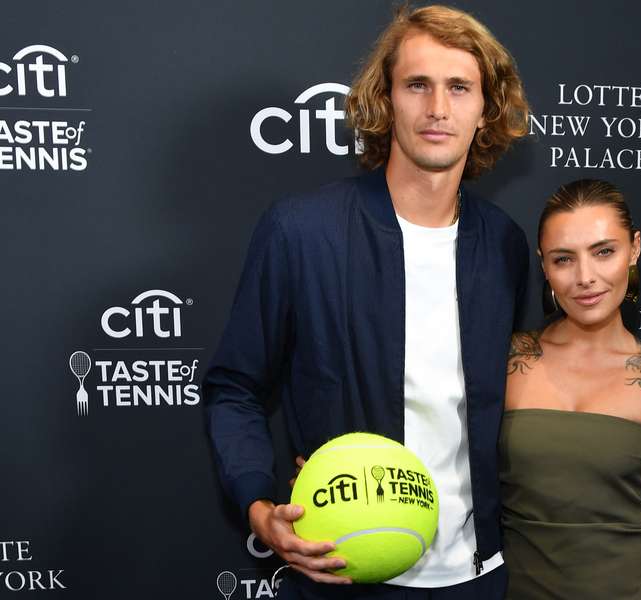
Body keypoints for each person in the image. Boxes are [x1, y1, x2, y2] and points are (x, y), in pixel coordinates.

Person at [203, 5, 530, 599]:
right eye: (417, 85)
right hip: (343, 572)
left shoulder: (504, 244)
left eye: (460, 87)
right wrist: (257, 505)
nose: (437, 108)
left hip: (479, 577)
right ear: (386, 99)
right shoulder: (301, 231)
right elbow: (234, 387)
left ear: (485, 111)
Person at [503, 180, 641, 599]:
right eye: (563, 259)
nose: (585, 278)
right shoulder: (505, 361)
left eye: (604, 252)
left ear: (634, 249)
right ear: (543, 265)